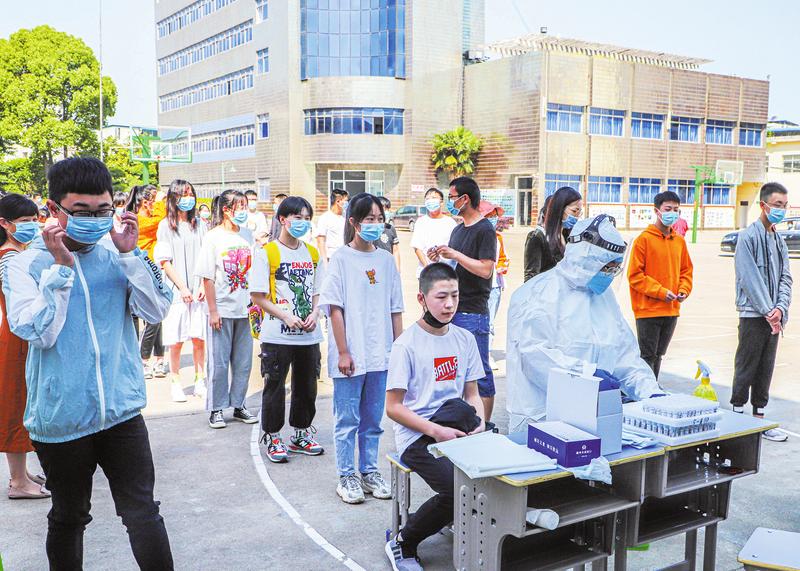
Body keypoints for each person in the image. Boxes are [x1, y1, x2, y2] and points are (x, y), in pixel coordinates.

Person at [3, 157, 174, 569]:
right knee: (70, 516)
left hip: (121, 410)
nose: (94, 221)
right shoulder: (23, 263)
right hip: (61, 418)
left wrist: (132, 256)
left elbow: (156, 310)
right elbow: (38, 332)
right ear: (53, 208)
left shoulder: (116, 253)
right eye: (81, 211)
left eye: (103, 211)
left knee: (142, 512)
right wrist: (61, 270)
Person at [506, 215, 663, 432]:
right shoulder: (539, 293)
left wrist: (651, 393)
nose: (610, 274)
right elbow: (534, 357)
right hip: (542, 419)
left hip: (594, 414)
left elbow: (626, 356)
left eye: (615, 268)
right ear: (587, 260)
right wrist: (587, 375)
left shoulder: (604, 297)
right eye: (607, 267)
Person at [384, 263, 486, 571]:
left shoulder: (464, 339)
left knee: (494, 474)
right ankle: (403, 541)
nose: (450, 304)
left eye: (455, 295)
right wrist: (436, 431)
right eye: (441, 297)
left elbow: (472, 394)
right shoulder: (406, 345)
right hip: (418, 434)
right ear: (422, 299)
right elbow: (393, 407)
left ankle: (479, 533)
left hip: (457, 425)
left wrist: (481, 423)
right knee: (456, 491)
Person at [319, 192, 403, 505]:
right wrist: (343, 351)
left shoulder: (385, 260)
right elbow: (334, 308)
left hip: (381, 356)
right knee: (347, 421)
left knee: (373, 421)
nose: (376, 224)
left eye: (380, 219)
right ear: (354, 222)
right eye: (369, 219)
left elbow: (396, 309)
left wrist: (399, 351)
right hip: (351, 356)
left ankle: (369, 471)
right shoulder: (341, 259)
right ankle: (347, 476)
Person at [251, 196, 325, 463]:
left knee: (307, 386)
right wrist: (285, 316)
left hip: (308, 335)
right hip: (277, 335)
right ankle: (272, 437)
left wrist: (315, 314)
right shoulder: (267, 253)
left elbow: (318, 292)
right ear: (282, 219)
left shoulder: (313, 254)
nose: (303, 222)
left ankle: (301, 434)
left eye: (307, 218)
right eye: (297, 217)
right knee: (274, 387)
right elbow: (258, 296)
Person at [427, 177, 497, 421]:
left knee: (479, 372)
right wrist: (440, 257)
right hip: (452, 310)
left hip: (473, 312)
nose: (450, 202)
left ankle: (484, 425)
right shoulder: (458, 230)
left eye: (452, 197)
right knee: (454, 371)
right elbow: (457, 266)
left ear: (465, 199)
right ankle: (462, 420)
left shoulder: (485, 229)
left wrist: (455, 253)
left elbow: (485, 269)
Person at [731, 182, 793, 442]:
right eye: (777, 204)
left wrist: (780, 308)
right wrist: (768, 310)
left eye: (784, 205)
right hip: (753, 315)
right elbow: (748, 277)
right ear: (764, 205)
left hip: (774, 318)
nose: (781, 209)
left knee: (766, 368)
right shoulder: (747, 237)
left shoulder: (779, 241)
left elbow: (786, 278)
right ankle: (737, 418)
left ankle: (759, 419)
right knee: (746, 366)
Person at [0, 194, 49, 500]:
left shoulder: (18, 253)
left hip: (17, 336)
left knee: (23, 404)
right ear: (5, 224)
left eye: (34, 219)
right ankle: (18, 481)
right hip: (15, 338)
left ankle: (22, 473)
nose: (32, 225)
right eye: (24, 221)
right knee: (17, 406)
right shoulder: (9, 258)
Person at [196, 190, 258, 429]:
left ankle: (239, 404)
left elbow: (254, 271)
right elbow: (207, 276)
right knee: (219, 363)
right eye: (240, 207)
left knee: (243, 363)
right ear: (226, 210)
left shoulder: (248, 235)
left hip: (245, 310)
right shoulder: (213, 237)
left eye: (245, 206)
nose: (244, 211)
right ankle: (216, 408)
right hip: (221, 309)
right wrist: (213, 310)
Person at [627, 191, 693, 379]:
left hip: (671, 310)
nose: (672, 213)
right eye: (668, 209)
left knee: (659, 355)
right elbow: (635, 276)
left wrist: (683, 289)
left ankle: (653, 386)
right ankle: (645, 389)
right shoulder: (643, 240)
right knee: (647, 356)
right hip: (648, 310)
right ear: (657, 211)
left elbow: (686, 271)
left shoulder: (679, 241)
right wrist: (661, 292)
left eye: (676, 210)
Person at [154, 180, 208, 403]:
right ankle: (175, 382)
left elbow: (207, 257)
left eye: (191, 194)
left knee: (199, 338)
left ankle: (200, 380)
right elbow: (164, 261)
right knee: (176, 340)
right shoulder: (165, 226)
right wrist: (182, 287)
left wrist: (203, 284)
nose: (188, 198)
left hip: (199, 290)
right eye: (184, 194)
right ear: (174, 198)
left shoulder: (200, 224)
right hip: (177, 292)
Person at [127, 184, 168, 379]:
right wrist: (160, 202)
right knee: (153, 318)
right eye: (154, 201)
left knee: (157, 316)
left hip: (154, 272)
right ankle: (142, 358)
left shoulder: (148, 219)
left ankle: (159, 358)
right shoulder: (139, 220)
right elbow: (162, 218)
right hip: (142, 272)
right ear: (145, 202)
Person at [523, 186, 581, 282]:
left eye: (579, 212)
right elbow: (531, 278)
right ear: (559, 209)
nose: (576, 216)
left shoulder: (567, 236)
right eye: (574, 211)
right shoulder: (537, 237)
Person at [410, 188, 457, 278]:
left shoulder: (450, 223)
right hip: (426, 273)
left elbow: (455, 248)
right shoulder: (421, 222)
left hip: (447, 273)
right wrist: (428, 269)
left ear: (441, 202)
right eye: (428, 199)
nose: (431, 201)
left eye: (434, 198)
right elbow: (417, 248)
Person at [484, 206, 509, 369]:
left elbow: (502, 258)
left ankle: (488, 353)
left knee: (490, 322)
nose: (493, 219)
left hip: (495, 285)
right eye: (489, 215)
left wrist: (503, 265)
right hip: (479, 286)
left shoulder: (498, 237)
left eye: (494, 216)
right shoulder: (476, 235)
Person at [315, 189, 348, 262]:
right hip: (331, 258)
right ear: (338, 201)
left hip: (346, 257)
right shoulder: (325, 218)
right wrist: (324, 262)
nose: (347, 203)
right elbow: (321, 241)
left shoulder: (347, 217)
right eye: (346, 201)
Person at [375, 195, 401, 272]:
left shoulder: (390, 228)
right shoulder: (370, 228)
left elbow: (395, 250)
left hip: (388, 268)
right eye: (383, 209)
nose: (385, 212)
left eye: (387, 209)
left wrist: (397, 270)